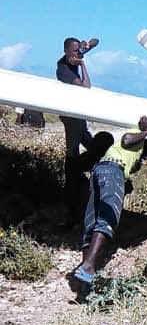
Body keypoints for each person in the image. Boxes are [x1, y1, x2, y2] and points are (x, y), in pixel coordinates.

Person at [71, 116, 147, 288]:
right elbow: (126, 140)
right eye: (146, 157)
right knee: (108, 218)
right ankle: (88, 266)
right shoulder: (137, 137)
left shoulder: (122, 153)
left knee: (92, 222)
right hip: (112, 170)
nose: (143, 160)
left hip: (100, 171)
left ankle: (85, 272)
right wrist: (146, 131)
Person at [55, 37, 99, 225]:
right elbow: (85, 87)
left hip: (79, 116)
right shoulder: (63, 69)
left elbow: (97, 41)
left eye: (78, 51)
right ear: (66, 51)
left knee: (94, 146)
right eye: (73, 51)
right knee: (72, 156)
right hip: (72, 117)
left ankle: (85, 183)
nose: (76, 54)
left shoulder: (76, 53)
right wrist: (82, 64)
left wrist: (88, 45)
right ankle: (71, 206)